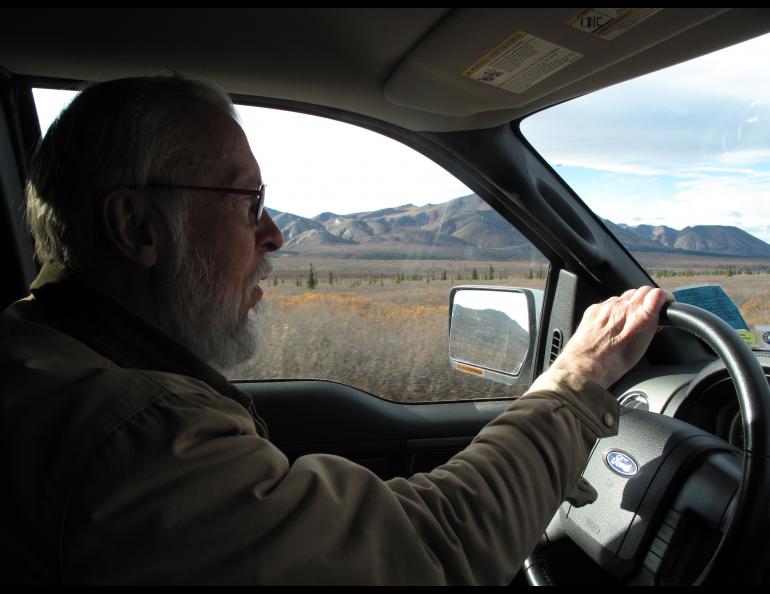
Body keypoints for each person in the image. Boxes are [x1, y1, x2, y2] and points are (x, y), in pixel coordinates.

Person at [0, 76, 673, 585]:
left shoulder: (42, 356)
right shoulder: (130, 439)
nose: (275, 234)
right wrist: (578, 376)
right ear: (137, 227)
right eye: (249, 204)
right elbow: (429, 549)